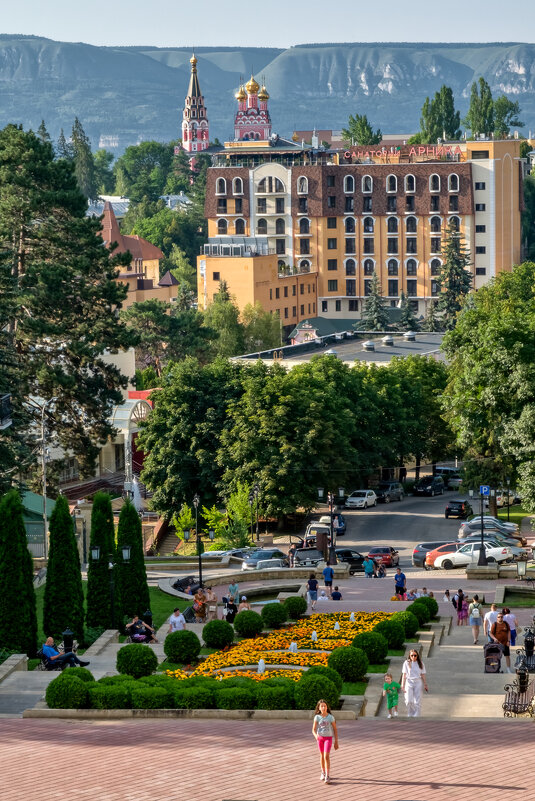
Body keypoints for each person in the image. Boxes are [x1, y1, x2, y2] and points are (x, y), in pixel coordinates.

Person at [312, 698, 339, 784]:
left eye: (325, 706)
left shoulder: (330, 717)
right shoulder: (317, 717)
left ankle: (327, 775)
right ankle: (322, 772)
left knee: (326, 756)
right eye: (322, 706)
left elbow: (335, 729)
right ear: (319, 708)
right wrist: (316, 736)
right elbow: (313, 729)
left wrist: (336, 741)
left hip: (328, 738)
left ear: (327, 707)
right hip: (320, 738)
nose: (323, 707)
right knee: (321, 755)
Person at [401, 649, 428, 717]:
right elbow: (404, 674)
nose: (413, 657)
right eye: (412, 655)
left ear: (417, 656)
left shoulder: (420, 663)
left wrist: (425, 684)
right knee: (408, 700)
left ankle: (417, 715)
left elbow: (423, 674)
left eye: (415, 655)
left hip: (418, 682)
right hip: (409, 682)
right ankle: (410, 713)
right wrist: (402, 685)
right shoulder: (406, 663)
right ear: (409, 656)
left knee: (417, 701)